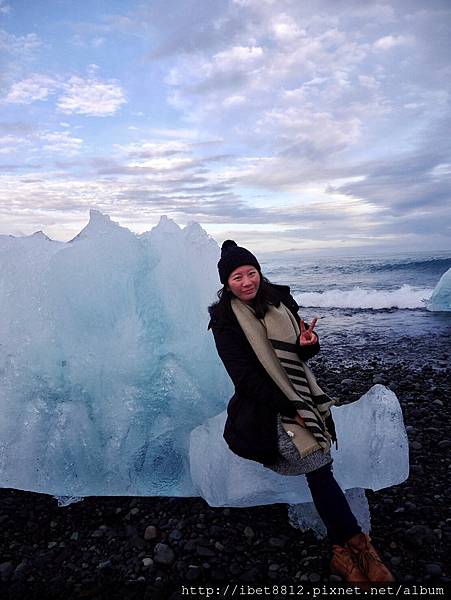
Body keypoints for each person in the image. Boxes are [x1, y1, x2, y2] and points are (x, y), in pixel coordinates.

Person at [207, 240, 395, 584]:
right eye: (237, 277)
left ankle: (348, 549)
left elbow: (297, 355)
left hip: (301, 393)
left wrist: (310, 344)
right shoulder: (224, 322)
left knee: (320, 469)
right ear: (226, 283)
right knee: (319, 467)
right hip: (266, 404)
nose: (247, 281)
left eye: (252, 272)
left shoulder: (280, 301)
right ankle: (352, 548)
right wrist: (289, 408)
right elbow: (245, 378)